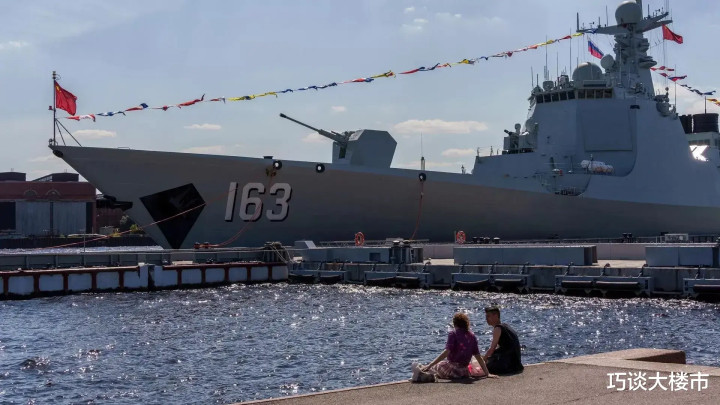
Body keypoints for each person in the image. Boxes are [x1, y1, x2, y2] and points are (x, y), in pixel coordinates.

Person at [412, 312, 497, 382]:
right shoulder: (472, 336)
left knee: (437, 366)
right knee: (440, 366)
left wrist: (430, 365)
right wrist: (487, 373)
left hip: (453, 370)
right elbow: (478, 357)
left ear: (454, 323)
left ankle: (423, 373)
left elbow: (446, 352)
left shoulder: (453, 334)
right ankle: (427, 373)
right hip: (464, 372)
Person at [483, 305, 524, 374]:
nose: (486, 319)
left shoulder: (498, 328)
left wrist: (482, 361)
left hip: (508, 365)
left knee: (483, 368)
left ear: (496, 316)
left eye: (488, 316)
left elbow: (492, 349)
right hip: (517, 363)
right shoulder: (505, 326)